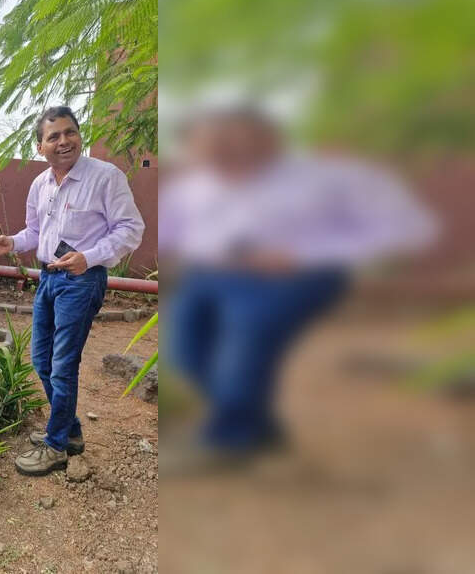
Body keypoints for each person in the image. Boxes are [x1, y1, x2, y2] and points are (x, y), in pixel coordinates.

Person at [159, 108, 436, 470]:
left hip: (297, 276)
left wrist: (302, 254)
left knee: (246, 337)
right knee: (185, 349)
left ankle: (230, 439)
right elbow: (168, 234)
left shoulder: (327, 178)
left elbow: (409, 227)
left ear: (267, 137)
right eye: (209, 144)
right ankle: (255, 424)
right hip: (209, 275)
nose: (222, 151)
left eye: (232, 141)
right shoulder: (192, 187)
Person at [0, 106, 145, 477]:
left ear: (79, 134)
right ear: (40, 146)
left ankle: (56, 446)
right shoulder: (40, 185)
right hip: (47, 279)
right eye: (53, 136)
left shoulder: (105, 177)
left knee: (62, 365)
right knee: (41, 360)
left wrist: (89, 257)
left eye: (69, 132)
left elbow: (130, 228)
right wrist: (12, 242)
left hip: (82, 281)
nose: (64, 141)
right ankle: (70, 431)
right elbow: (35, 232)